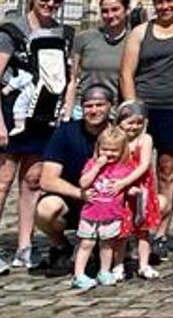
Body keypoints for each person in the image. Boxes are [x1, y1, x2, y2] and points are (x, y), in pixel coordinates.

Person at [0, 0, 73, 276]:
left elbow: (67, 76)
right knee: (1, 181)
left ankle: (25, 246)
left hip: (43, 118)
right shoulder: (10, 31)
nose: (50, 5)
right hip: (8, 115)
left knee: (32, 182)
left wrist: (65, 109)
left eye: (57, 0)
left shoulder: (63, 33)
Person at [120, 0, 173, 260]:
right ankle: (132, 227)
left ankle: (161, 231)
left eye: (170, 1)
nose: (165, 6)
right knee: (135, 170)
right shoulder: (141, 33)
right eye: (160, 1)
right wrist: (133, 110)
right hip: (145, 108)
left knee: (168, 170)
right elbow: (127, 73)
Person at [32, 84, 115, 276]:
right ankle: (61, 247)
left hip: (110, 200)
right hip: (74, 199)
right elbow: (47, 180)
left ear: (111, 106)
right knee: (46, 209)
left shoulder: (119, 133)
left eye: (99, 105)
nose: (94, 110)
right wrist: (81, 194)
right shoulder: (66, 132)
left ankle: (115, 247)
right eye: (88, 106)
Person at [71, 127, 136, 290]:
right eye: (105, 149)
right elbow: (83, 183)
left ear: (122, 150)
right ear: (98, 148)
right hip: (91, 213)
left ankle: (104, 271)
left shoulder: (124, 168)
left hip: (112, 214)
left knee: (107, 245)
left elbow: (127, 185)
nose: (109, 153)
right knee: (86, 243)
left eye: (114, 150)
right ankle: (79, 274)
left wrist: (131, 190)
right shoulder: (92, 164)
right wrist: (97, 167)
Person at [114, 100, 163, 278]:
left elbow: (144, 165)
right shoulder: (116, 139)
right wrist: (122, 185)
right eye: (130, 122)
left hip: (141, 188)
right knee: (121, 231)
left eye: (139, 123)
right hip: (122, 191)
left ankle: (144, 264)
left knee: (143, 230)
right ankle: (118, 265)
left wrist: (127, 181)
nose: (134, 127)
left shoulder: (145, 139)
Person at [66, 0, 130, 114]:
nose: (110, 15)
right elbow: (72, 79)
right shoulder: (84, 38)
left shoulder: (133, 41)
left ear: (127, 10)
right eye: (105, 11)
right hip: (84, 108)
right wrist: (68, 113)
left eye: (115, 9)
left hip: (115, 111)